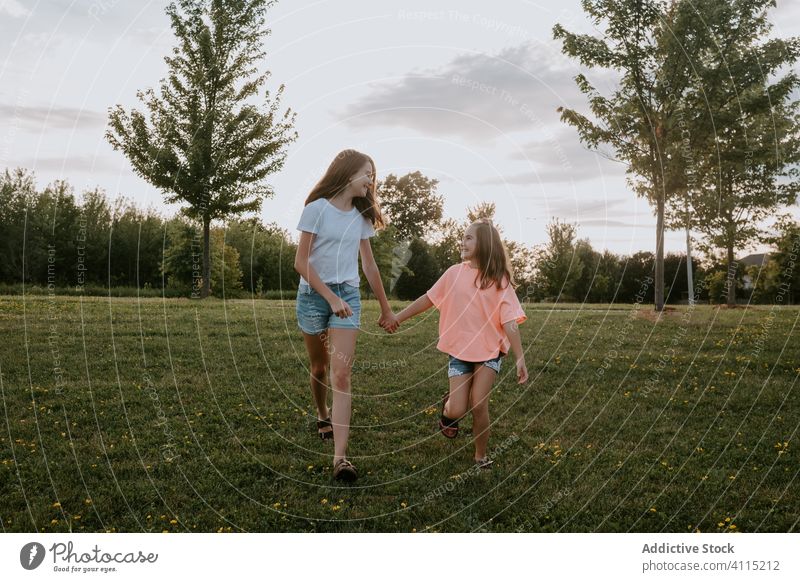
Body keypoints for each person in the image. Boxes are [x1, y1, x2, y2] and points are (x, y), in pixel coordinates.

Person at [293, 149, 398, 482]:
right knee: (320, 367)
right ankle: (322, 413)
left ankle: (340, 459)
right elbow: (301, 262)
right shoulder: (316, 210)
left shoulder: (361, 217)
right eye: (367, 173)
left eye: (373, 174)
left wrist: (385, 307)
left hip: (348, 296)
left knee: (341, 375)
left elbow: (368, 265)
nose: (371, 180)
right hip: (313, 296)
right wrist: (329, 297)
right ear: (348, 172)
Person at [391, 219, 528, 468]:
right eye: (463, 237)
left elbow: (510, 322)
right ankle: (449, 408)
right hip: (460, 350)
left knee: (479, 404)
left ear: (484, 243)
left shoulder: (499, 280)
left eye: (468, 238)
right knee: (457, 410)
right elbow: (428, 299)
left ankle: (480, 456)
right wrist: (398, 317)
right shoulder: (454, 273)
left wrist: (520, 357)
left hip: (489, 350)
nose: (462, 242)